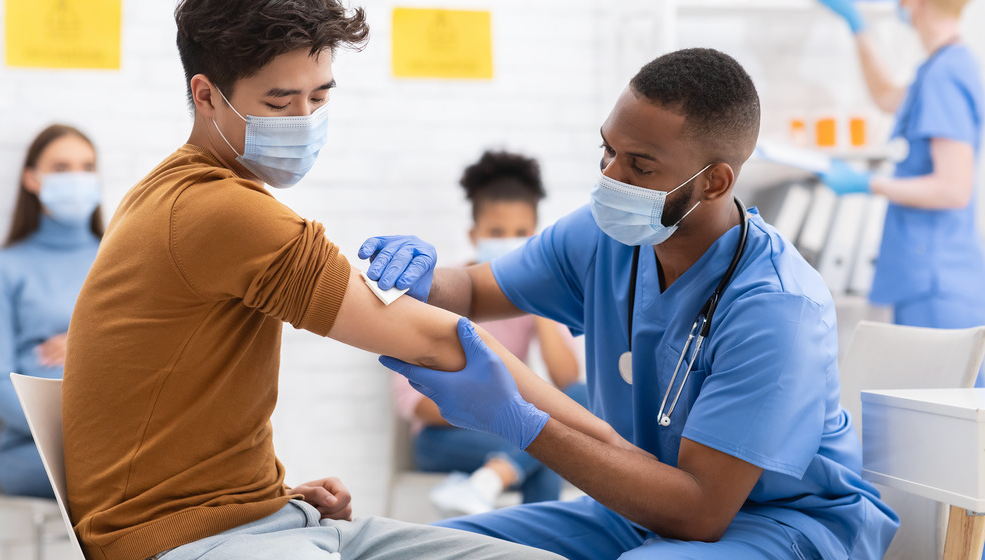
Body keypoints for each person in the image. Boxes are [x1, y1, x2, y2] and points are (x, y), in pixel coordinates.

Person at [60, 2, 615, 559]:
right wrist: (618, 456)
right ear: (206, 96)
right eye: (280, 101)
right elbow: (439, 340)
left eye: (320, 97)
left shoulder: (170, 194)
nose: (304, 119)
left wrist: (267, 497)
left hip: (265, 519)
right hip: (177, 542)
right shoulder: (218, 211)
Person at [371, 48, 899, 559]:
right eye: (607, 150)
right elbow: (472, 292)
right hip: (638, 514)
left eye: (641, 167)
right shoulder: (603, 238)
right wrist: (421, 279)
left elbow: (701, 514)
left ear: (714, 182)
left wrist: (520, 422)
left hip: (780, 526)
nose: (610, 177)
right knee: (432, 550)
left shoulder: (778, 309)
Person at [393, 150, 585, 517]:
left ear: (535, 237)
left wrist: (534, 298)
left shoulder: (534, 296)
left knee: (580, 401)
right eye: (497, 233)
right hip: (443, 438)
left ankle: (488, 482)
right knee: (545, 446)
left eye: (520, 234)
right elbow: (414, 405)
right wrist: (499, 413)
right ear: (473, 234)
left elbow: (568, 381)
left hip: (507, 428)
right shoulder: (437, 291)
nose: (508, 242)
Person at [815, 0, 985, 373]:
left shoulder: (946, 73)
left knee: (940, 415)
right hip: (930, 274)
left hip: (937, 280)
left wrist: (868, 183)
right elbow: (887, 96)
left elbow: (954, 188)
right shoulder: (941, 67)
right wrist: (857, 26)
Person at [0, 124, 103, 499]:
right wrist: (74, 430)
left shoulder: (123, 259)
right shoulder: (4, 268)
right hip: (31, 449)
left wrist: (85, 342)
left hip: (117, 436)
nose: (77, 179)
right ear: (32, 180)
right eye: (61, 167)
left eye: (87, 167)